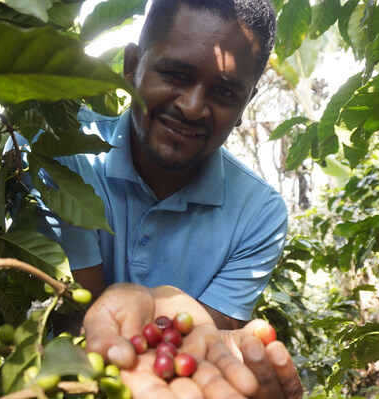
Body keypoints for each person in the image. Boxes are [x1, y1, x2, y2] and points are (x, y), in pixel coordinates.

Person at [24, 0, 303, 397]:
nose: (191, 107)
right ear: (132, 65)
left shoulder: (259, 215)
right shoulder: (62, 154)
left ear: (246, 104)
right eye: (176, 74)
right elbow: (74, 316)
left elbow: (190, 340)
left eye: (223, 92)